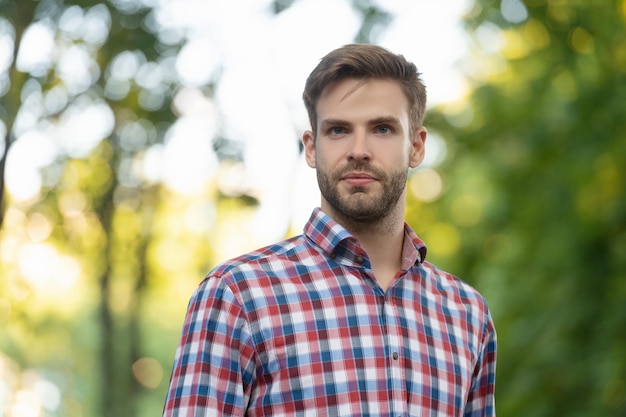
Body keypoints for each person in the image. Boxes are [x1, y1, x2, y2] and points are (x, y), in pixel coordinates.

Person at [162, 43, 497, 416]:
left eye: (382, 129)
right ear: (311, 147)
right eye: (338, 130)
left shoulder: (467, 313)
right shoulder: (238, 296)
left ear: (416, 147)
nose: (359, 149)